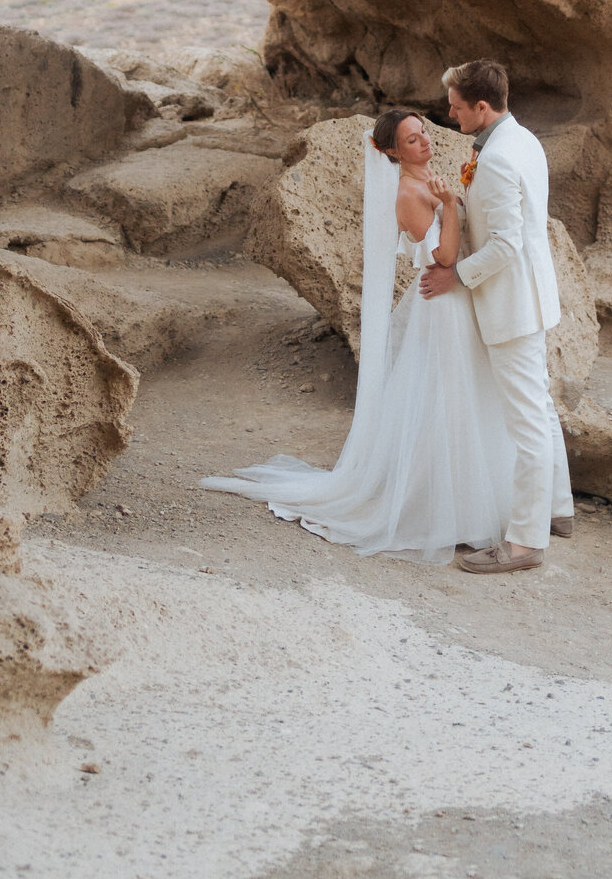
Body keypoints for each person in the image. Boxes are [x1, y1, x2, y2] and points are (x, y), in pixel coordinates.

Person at [199, 109, 516, 564]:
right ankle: (445, 513)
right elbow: (443, 258)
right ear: (391, 152)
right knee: (449, 402)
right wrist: (449, 206)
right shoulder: (409, 192)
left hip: (458, 303)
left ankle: (471, 503)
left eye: (423, 132)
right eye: (411, 140)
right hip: (443, 307)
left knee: (467, 399)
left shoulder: (434, 178)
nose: (424, 141)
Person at [420, 59, 574, 574]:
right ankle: (558, 509)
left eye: (457, 106)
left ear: (482, 107)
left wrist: (455, 276)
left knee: (527, 419)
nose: (450, 113)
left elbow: (505, 244)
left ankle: (526, 544)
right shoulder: (521, 139)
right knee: (540, 405)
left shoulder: (502, 158)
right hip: (530, 294)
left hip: (511, 301)